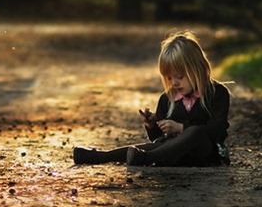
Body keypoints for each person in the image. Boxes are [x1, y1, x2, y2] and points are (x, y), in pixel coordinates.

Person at [73, 30, 231, 167]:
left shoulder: (217, 93)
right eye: (169, 78)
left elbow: (216, 131)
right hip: (172, 153)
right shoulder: (167, 98)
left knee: (196, 133)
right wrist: (152, 125)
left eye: (179, 77)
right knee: (148, 147)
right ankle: (101, 156)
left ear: (198, 70)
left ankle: (147, 159)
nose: (174, 82)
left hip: (204, 154)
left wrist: (181, 128)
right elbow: (158, 139)